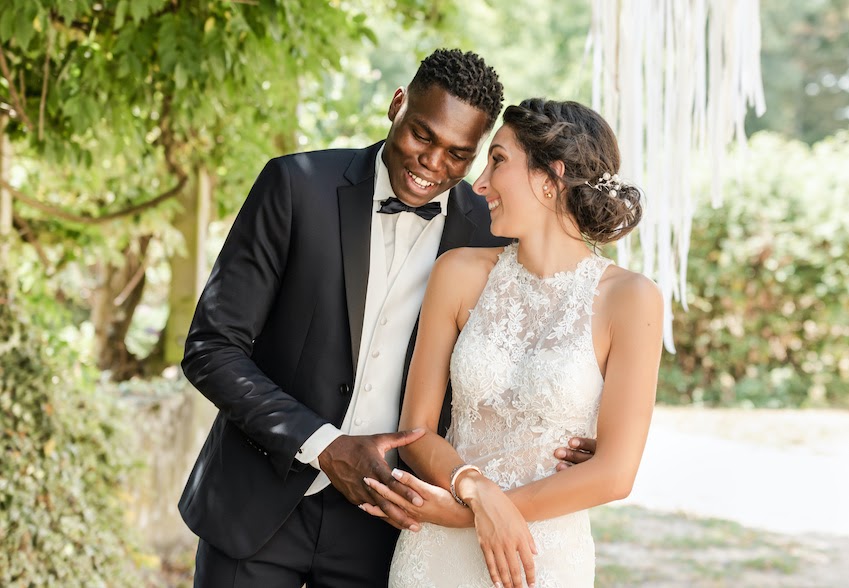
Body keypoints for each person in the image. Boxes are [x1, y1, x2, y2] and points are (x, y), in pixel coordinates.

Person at [178, 50, 595, 587]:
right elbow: (211, 346)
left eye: (458, 154)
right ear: (397, 105)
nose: (433, 164)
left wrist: (575, 435)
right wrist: (324, 445)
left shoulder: (491, 236)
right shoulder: (295, 186)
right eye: (423, 136)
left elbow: (538, 349)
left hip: (395, 524)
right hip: (258, 503)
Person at [359, 99, 664, 587]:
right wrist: (473, 490)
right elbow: (415, 432)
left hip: (542, 557)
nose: (478, 184)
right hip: (435, 553)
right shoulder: (457, 273)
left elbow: (614, 474)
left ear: (550, 178)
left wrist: (470, 516)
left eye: (497, 160)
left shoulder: (631, 299)